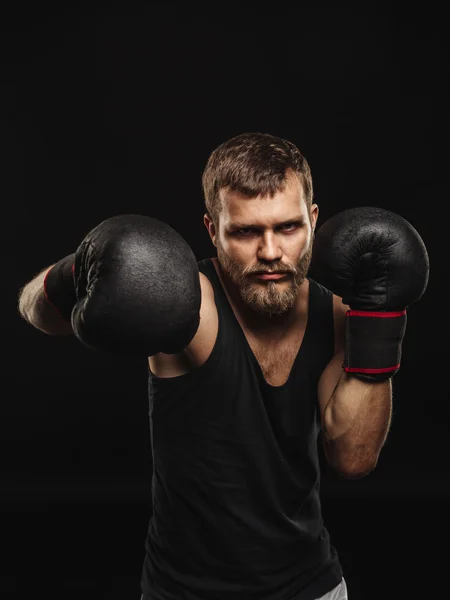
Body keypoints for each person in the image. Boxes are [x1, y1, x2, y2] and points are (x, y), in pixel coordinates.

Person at [17, 132, 429, 600]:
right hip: (189, 591)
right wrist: (77, 270)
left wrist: (378, 321)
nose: (271, 252)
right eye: (246, 231)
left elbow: (353, 459)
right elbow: (33, 311)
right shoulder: (185, 303)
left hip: (311, 585)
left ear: (314, 221)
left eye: (288, 228)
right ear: (213, 230)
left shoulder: (339, 314)